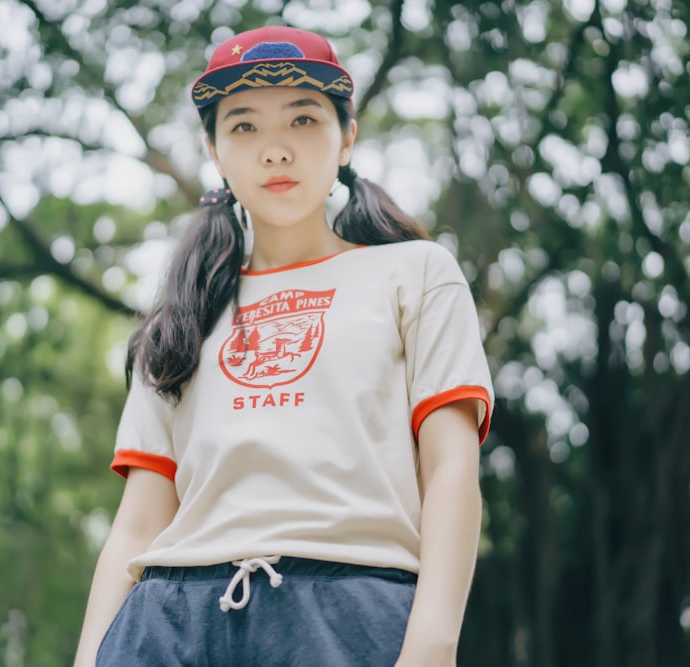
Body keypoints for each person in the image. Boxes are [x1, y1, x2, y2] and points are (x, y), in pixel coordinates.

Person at [74, 25, 493, 667]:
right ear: (214, 150)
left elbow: (451, 471)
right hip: (169, 625)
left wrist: (431, 648)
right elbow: (138, 523)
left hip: (349, 615)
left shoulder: (415, 273)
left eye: (303, 119)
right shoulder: (182, 318)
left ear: (346, 136)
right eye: (243, 127)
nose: (275, 150)